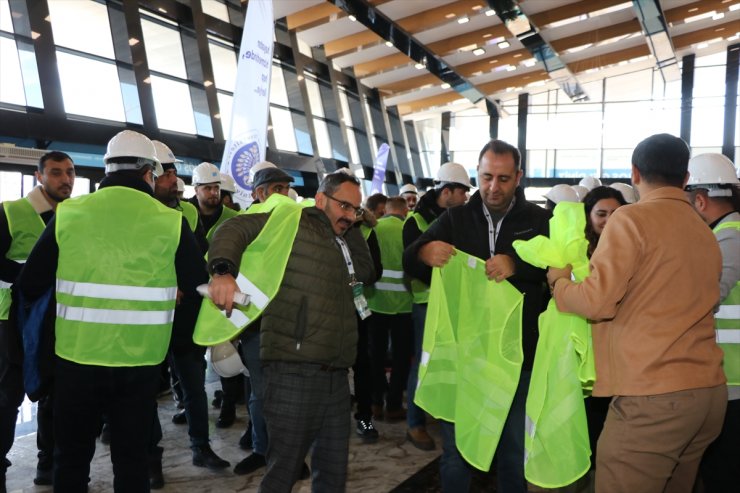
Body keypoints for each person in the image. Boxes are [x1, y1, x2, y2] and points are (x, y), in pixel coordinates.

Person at [16, 130, 207, 492]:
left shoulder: (70, 213)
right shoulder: (170, 221)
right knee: (132, 461)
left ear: (106, 168)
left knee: (70, 459)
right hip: (140, 363)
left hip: (76, 359)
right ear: (148, 172)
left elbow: (30, 284)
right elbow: (197, 285)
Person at [547, 134, 727, 493]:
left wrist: (560, 284)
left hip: (654, 398)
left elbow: (598, 301)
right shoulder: (703, 229)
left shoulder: (631, 219)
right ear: (685, 178)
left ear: (634, 173)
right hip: (707, 394)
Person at [206, 171, 374, 492]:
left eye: (357, 209)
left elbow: (365, 271)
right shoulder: (289, 220)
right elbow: (233, 228)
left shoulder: (345, 235)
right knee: (284, 471)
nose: (351, 215)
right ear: (321, 199)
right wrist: (223, 271)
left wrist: (348, 227)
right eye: (345, 206)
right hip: (292, 371)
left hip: (337, 376)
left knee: (333, 470)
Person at [404, 139, 551, 492]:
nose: (493, 187)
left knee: (515, 451)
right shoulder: (454, 218)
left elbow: (559, 273)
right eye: (486, 177)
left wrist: (518, 265)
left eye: (503, 179)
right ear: (477, 175)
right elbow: (408, 258)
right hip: (467, 355)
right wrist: (426, 251)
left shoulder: (541, 220)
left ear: (518, 177)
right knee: (457, 451)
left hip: (520, 356)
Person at [150, 141, 228, 488]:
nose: (173, 180)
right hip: (147, 316)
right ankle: (151, 459)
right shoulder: (138, 214)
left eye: (173, 173)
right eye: (166, 174)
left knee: (194, 386)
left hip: (183, 317)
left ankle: (201, 447)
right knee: (144, 393)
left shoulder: (187, 213)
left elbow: (197, 257)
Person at [0, 151, 75, 489]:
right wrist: (34, 276)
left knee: (53, 391)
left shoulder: (76, 216)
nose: (66, 179)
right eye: (56, 173)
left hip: (58, 319)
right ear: (39, 176)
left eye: (70, 172)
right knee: (8, 396)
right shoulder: (11, 211)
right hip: (12, 320)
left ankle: (47, 461)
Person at [233, 165, 308, 478]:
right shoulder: (241, 226)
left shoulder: (296, 224)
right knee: (261, 394)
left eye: (284, 188)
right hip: (254, 325)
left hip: (291, 322)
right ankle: (263, 450)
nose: (282, 193)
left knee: (291, 393)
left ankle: (290, 455)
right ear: (257, 193)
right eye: (275, 188)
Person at [402, 161, 471, 452]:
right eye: (463, 192)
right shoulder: (414, 222)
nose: (466, 197)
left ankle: (444, 415)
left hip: (454, 304)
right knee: (422, 361)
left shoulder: (459, 219)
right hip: (426, 303)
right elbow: (413, 263)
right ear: (447, 191)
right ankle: (414, 422)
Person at [684, 153, 740, 493]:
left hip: (733, 377)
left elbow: (704, 297)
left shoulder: (729, 238)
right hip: (727, 375)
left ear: (700, 200)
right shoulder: (727, 233)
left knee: (724, 473)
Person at [187, 162, 242, 428]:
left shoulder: (233, 218)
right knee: (191, 357)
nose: (213, 193)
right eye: (207, 188)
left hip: (223, 294)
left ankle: (228, 406)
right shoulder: (184, 214)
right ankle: (189, 405)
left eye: (216, 187)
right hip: (191, 294)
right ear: (196, 189)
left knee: (226, 350)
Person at [367, 196, 412, 423]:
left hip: (375, 303)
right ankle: (394, 406)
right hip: (404, 306)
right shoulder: (407, 229)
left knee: (375, 355)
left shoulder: (374, 229)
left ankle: (375, 403)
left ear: (385, 210)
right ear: (403, 211)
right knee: (401, 358)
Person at [583, 186, 627, 258]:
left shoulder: (633, 245)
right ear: (588, 217)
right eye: (601, 214)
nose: (609, 220)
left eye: (615, 214)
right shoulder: (576, 247)